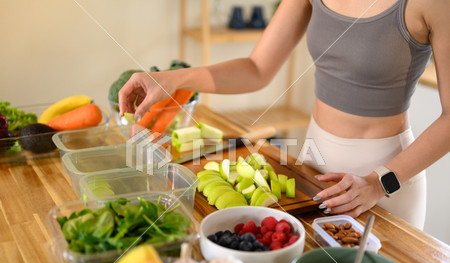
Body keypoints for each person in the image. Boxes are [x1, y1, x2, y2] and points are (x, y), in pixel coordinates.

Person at [119, 0, 450, 230]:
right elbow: (257, 69)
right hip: (314, 167)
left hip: (387, 181)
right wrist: (172, 79)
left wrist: (379, 183)